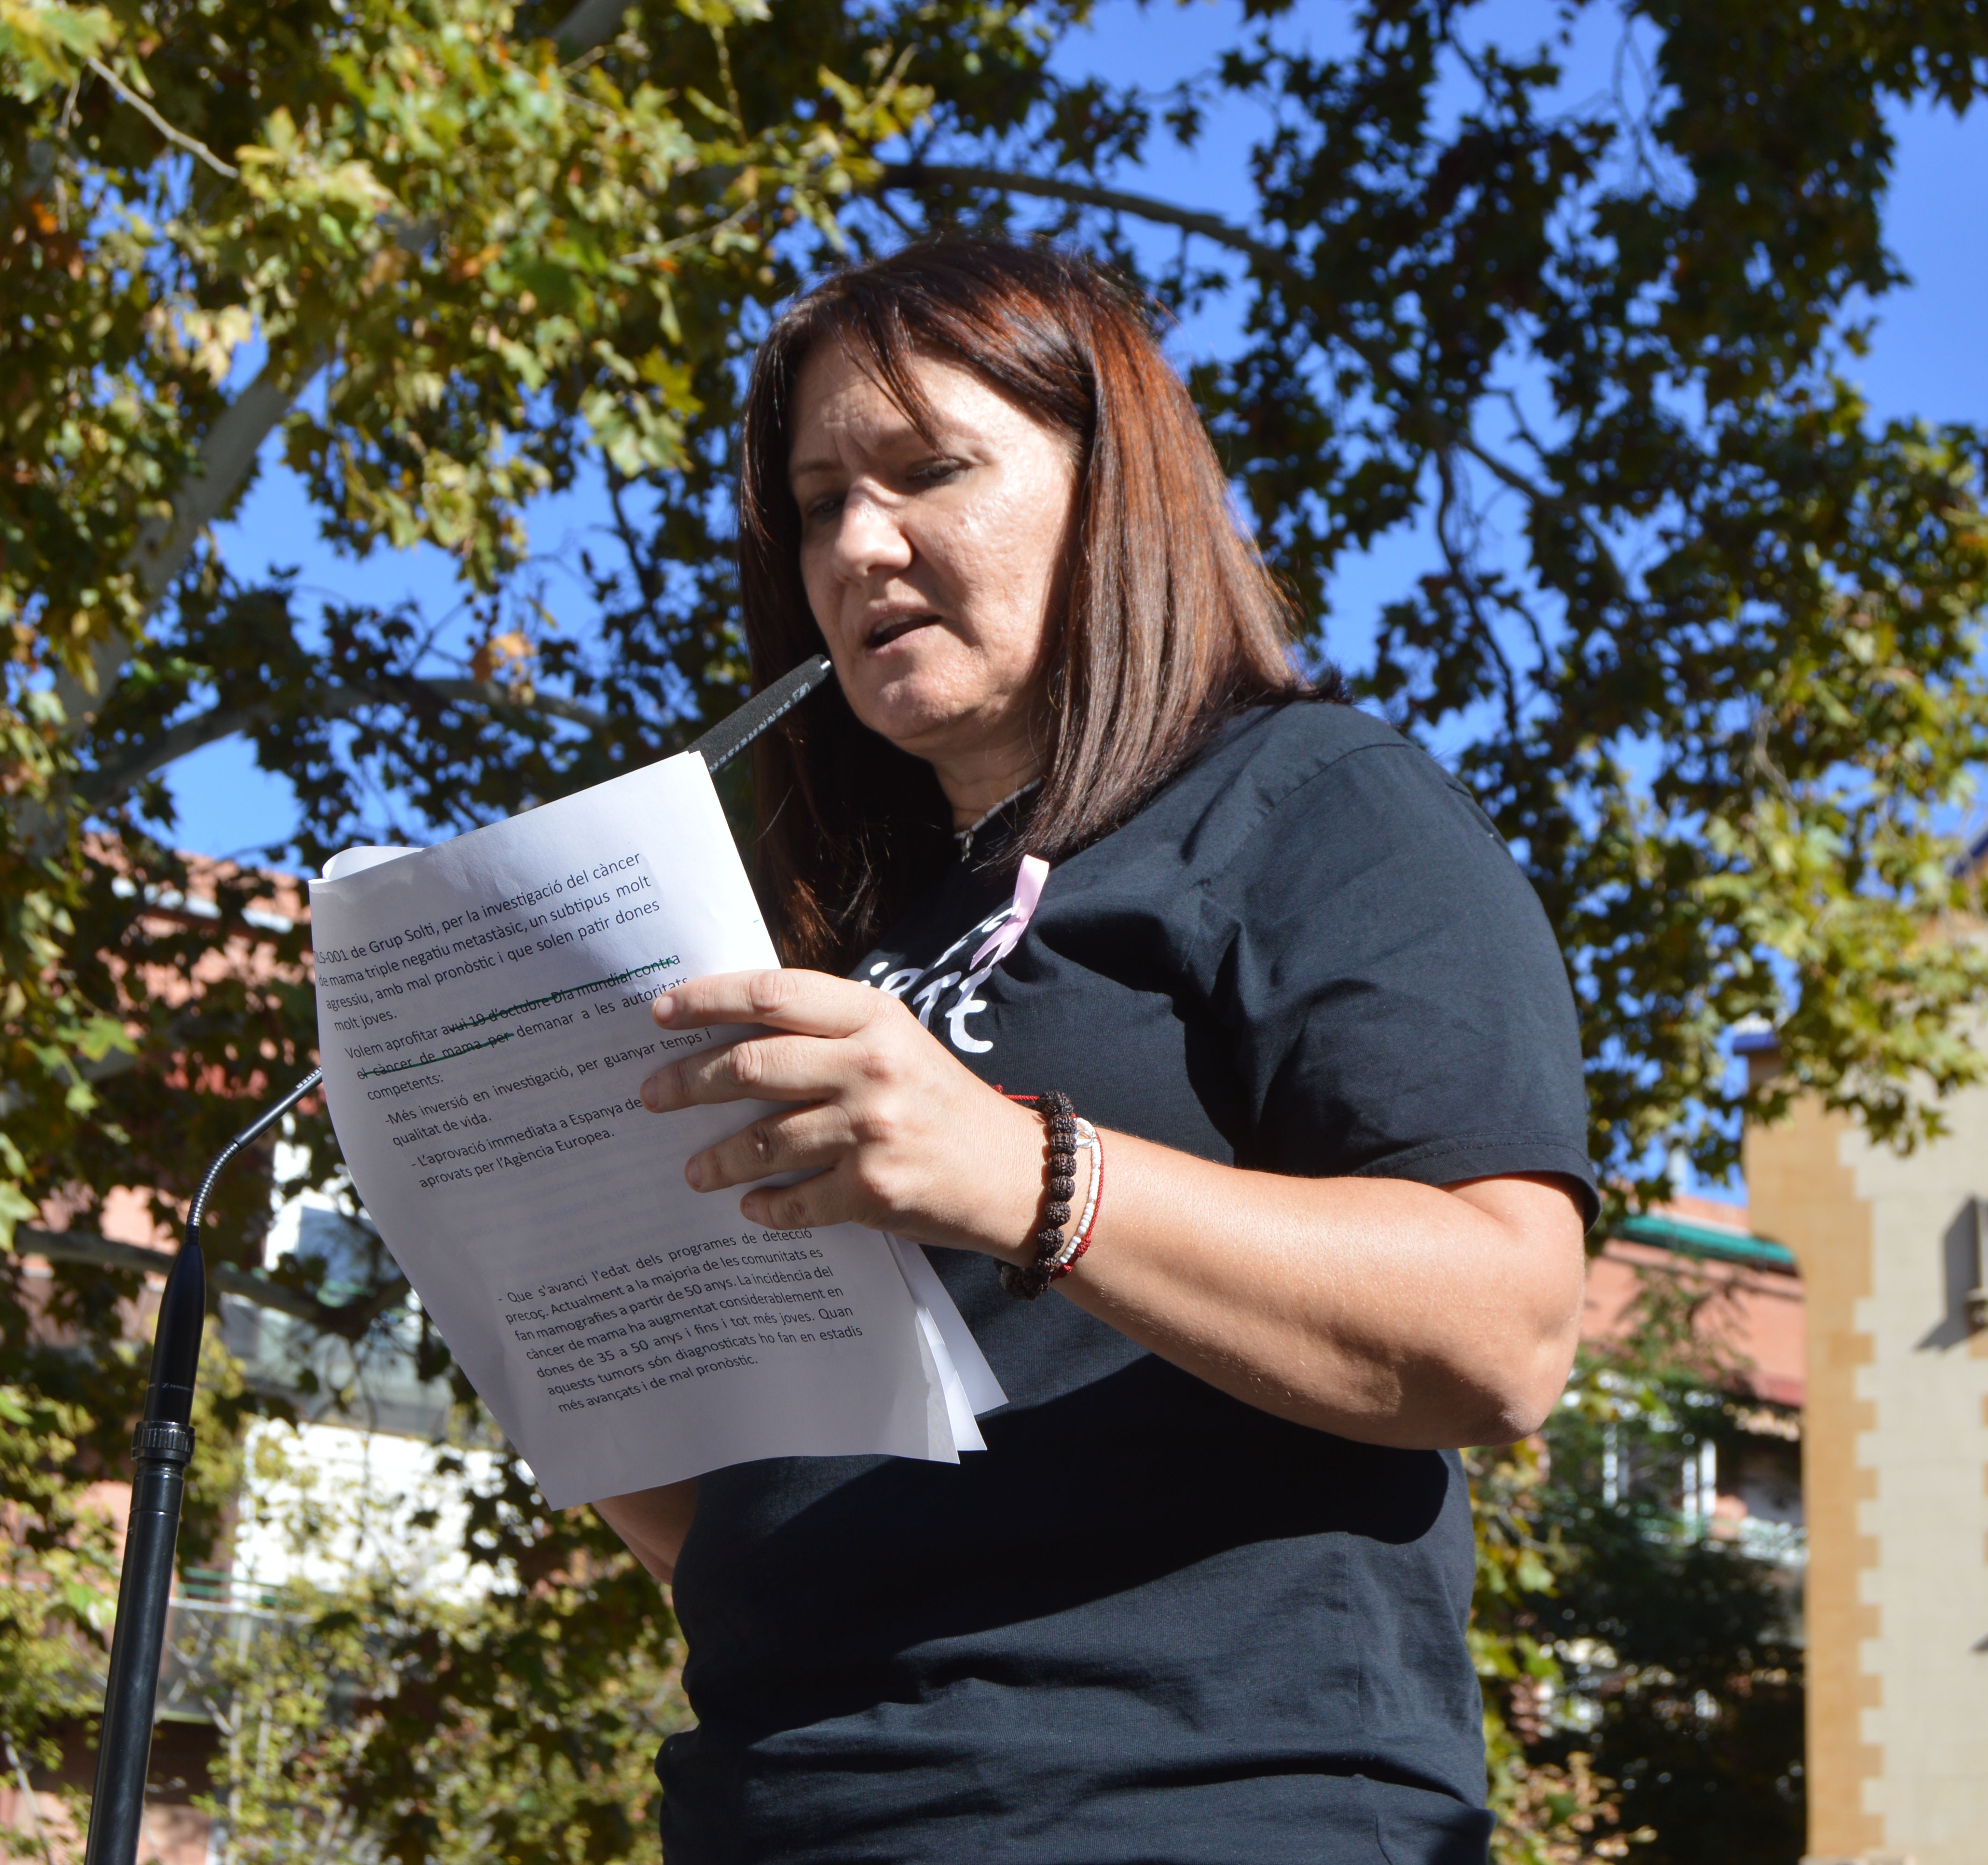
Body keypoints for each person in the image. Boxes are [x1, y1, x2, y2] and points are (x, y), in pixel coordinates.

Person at [599, 238, 1593, 1864]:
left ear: (1108, 486)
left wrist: (1032, 1178)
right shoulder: (834, 942)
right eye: (817, 498)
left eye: (931, 471)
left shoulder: (1309, 804)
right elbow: (745, 1532)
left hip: (1190, 1813)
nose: (861, 541)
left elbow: (1506, 1327)